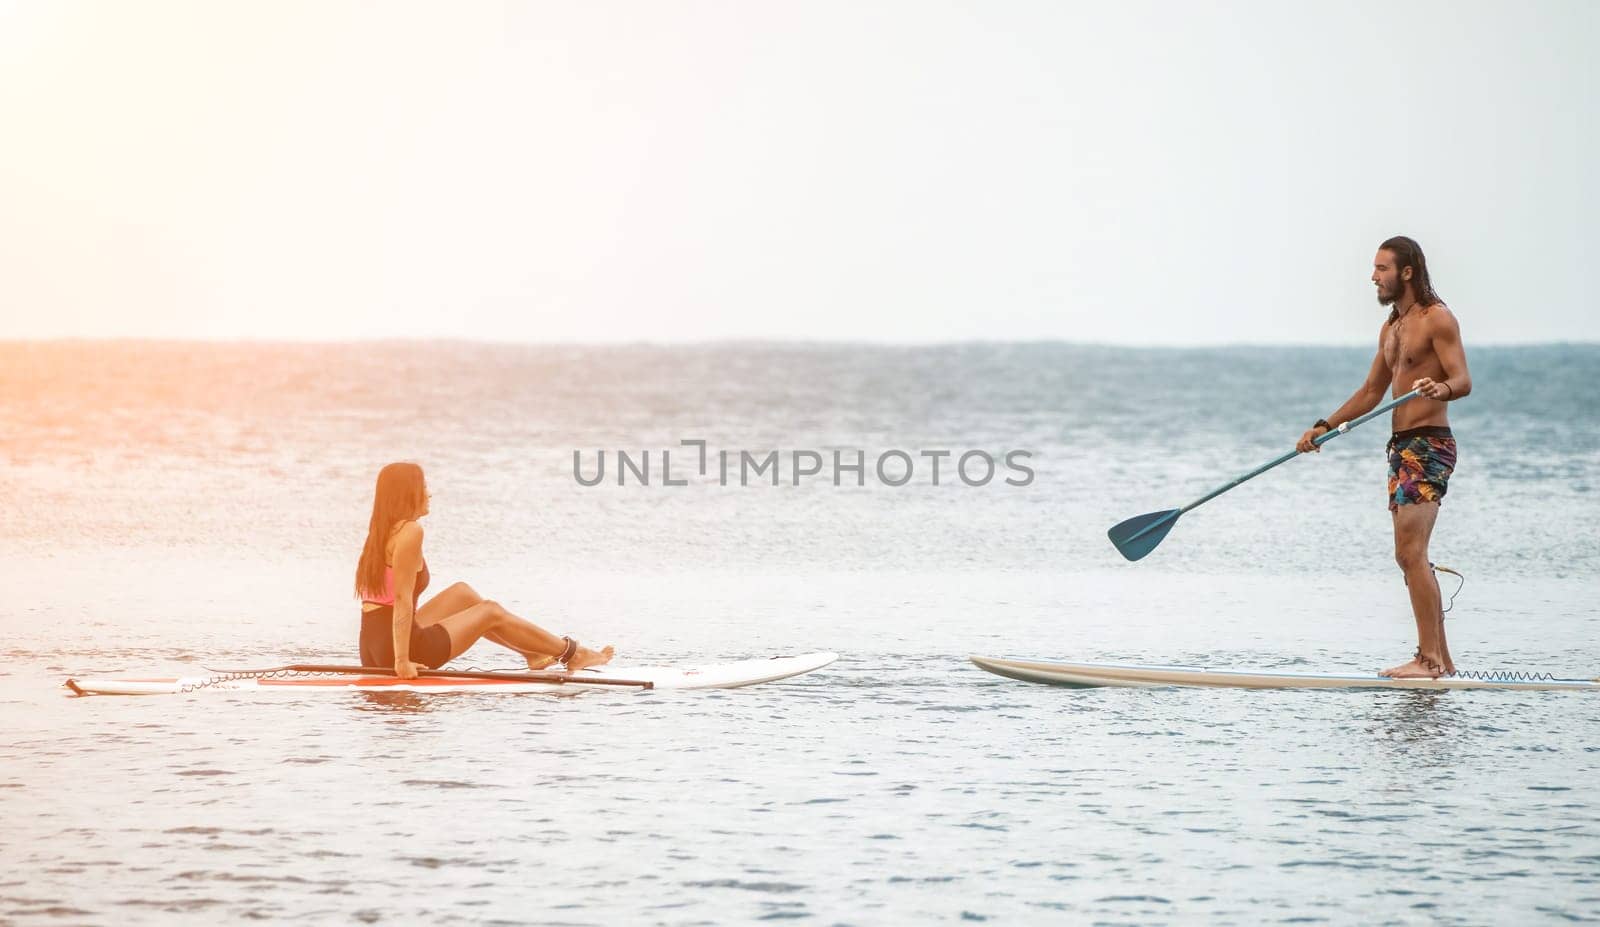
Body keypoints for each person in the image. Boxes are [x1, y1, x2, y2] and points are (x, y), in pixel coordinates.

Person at [1295, 236, 1472, 679]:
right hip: (1400, 449)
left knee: (1411, 553)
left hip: (1429, 445)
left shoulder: (1438, 319)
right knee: (1410, 556)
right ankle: (1442, 663)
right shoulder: (1392, 328)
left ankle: (1427, 661)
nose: (1373, 276)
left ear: (1406, 272)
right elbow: (1372, 393)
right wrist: (1324, 427)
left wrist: (1441, 388)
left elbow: (1463, 379)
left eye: (1381, 269)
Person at [355, 462, 614, 679]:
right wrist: (402, 661)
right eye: (424, 486)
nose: (429, 493)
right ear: (408, 493)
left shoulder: (381, 532)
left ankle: (532, 653)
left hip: (373, 646)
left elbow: (384, 604)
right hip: (403, 649)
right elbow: (401, 599)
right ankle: (573, 653)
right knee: (490, 611)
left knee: (462, 593)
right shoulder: (410, 531)